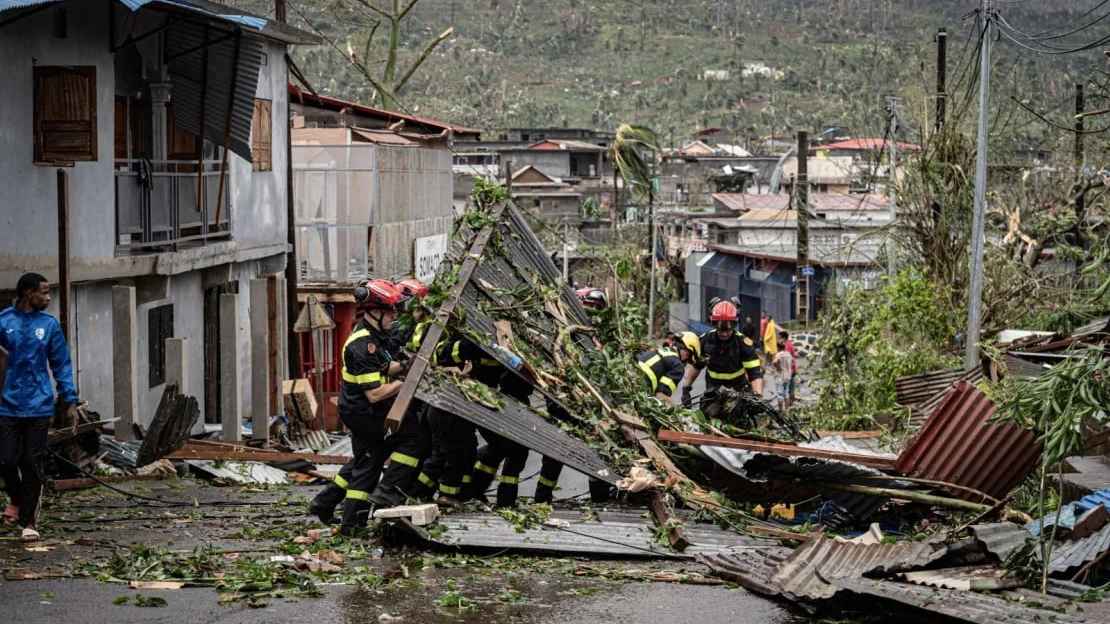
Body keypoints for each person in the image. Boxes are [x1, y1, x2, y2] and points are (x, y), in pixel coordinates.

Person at [307, 279, 406, 535]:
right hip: (363, 412)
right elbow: (374, 393)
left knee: (364, 460)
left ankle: (324, 503)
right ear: (374, 311)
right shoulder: (361, 344)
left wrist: (407, 365)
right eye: (390, 312)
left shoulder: (374, 337)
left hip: (363, 411)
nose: (393, 317)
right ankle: (352, 524)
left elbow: (385, 367)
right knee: (368, 467)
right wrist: (403, 381)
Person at [0, 273, 79, 542]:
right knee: (6, 460)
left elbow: (61, 363)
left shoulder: (49, 325)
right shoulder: (4, 321)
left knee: (31, 463)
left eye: (49, 293)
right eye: (43, 293)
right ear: (27, 293)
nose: (48, 298)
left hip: (39, 405)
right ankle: (18, 500)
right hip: (6, 405)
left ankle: (29, 521)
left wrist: (69, 399)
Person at [535, 287, 612, 505]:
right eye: (589, 307)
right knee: (556, 450)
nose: (592, 313)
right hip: (563, 401)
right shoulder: (563, 335)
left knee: (597, 451)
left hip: (590, 403)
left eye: (597, 309)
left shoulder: (595, 337)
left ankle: (600, 498)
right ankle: (542, 497)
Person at [683, 300, 764, 405]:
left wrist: (758, 397)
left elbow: (754, 373)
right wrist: (686, 388)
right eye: (721, 330)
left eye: (728, 330)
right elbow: (696, 366)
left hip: (739, 390)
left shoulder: (743, 343)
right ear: (714, 324)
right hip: (713, 392)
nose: (724, 334)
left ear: (734, 324)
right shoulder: (705, 340)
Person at [637, 332, 700, 402]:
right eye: (689, 357)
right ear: (686, 351)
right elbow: (661, 395)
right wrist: (676, 409)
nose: (686, 361)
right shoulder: (678, 366)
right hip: (641, 390)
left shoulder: (660, 350)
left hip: (631, 380)